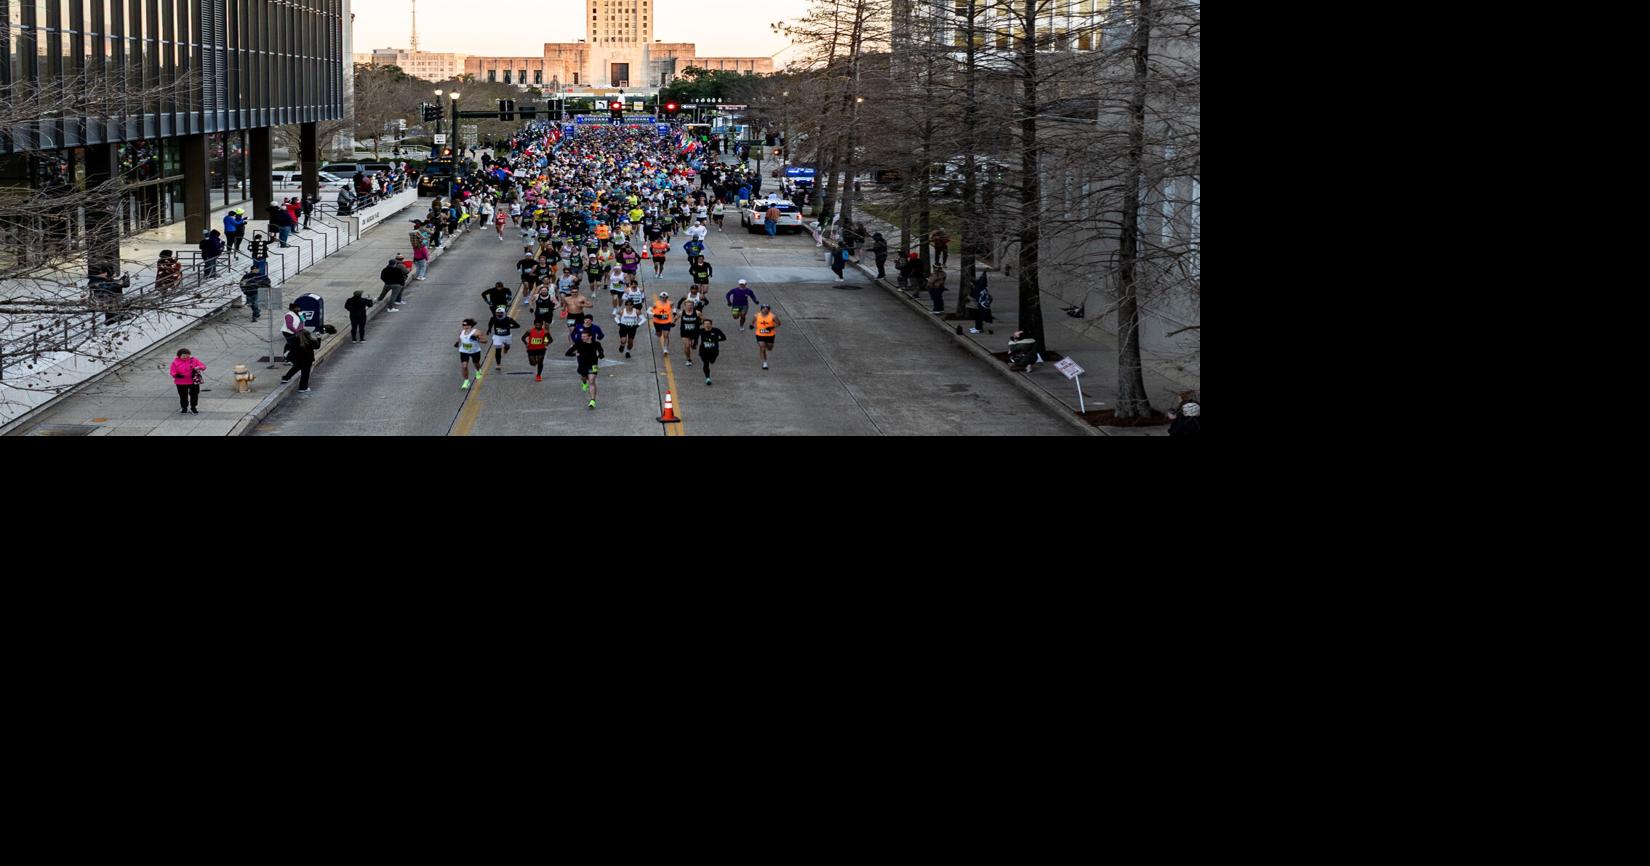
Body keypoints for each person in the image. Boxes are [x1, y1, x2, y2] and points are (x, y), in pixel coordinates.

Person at [566, 328, 605, 409]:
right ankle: (584, 383)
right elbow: (568, 353)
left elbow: (601, 351)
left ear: (590, 337)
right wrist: (575, 354)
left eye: (584, 336)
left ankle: (592, 401)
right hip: (582, 365)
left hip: (593, 365)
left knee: (592, 381)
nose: (582, 338)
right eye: (582, 336)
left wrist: (600, 354)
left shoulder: (596, 344)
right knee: (584, 378)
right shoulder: (578, 344)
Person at [170, 348, 206, 414]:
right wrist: (176, 375)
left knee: (194, 395)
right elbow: (172, 371)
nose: (185, 357)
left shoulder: (194, 360)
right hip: (181, 382)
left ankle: (193, 407)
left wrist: (198, 367)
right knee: (183, 395)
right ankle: (184, 407)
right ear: (179, 356)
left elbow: (203, 366)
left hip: (193, 381)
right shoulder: (175, 362)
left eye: (187, 355)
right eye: (183, 356)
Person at [456, 318, 486, 389]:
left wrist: (477, 339)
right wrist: (457, 343)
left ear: (470, 325)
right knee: (464, 366)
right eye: (462, 324)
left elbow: (485, 341)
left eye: (465, 324)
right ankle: (466, 381)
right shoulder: (461, 332)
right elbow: (460, 339)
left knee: (476, 363)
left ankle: (478, 370)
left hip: (475, 351)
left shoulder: (477, 332)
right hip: (464, 351)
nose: (463, 326)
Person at [697, 317, 728, 385]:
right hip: (703, 351)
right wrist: (694, 344)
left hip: (714, 351)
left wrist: (716, 340)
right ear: (703, 325)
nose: (707, 325)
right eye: (705, 324)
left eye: (708, 324)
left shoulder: (716, 330)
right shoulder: (701, 331)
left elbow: (724, 338)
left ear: (711, 324)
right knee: (706, 363)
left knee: (712, 361)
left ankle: (712, 360)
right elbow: (695, 336)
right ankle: (707, 378)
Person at [754, 303, 780, 370]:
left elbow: (779, 323)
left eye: (767, 309)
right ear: (761, 309)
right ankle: (764, 363)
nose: (765, 310)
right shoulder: (756, 315)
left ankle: (765, 346)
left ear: (769, 310)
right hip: (760, 334)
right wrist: (751, 325)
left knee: (769, 348)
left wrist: (771, 327)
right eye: (763, 309)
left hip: (770, 335)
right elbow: (752, 321)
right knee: (762, 347)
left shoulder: (773, 316)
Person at [678, 298, 702, 368]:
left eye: (691, 305)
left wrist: (702, 324)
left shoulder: (697, 313)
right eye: (687, 305)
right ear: (685, 306)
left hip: (694, 332)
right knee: (687, 346)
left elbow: (703, 319)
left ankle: (695, 343)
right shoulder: (681, 313)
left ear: (693, 306)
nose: (689, 307)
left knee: (693, 346)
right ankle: (688, 359)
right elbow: (675, 318)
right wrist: (672, 323)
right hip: (684, 332)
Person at [651, 291, 675, 356]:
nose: (664, 298)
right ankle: (655, 331)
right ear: (660, 297)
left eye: (665, 297)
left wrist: (674, 316)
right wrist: (656, 315)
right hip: (657, 322)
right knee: (659, 335)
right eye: (662, 297)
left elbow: (673, 309)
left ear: (667, 297)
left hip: (666, 322)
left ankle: (665, 349)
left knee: (666, 335)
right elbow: (649, 311)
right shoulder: (655, 304)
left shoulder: (670, 303)